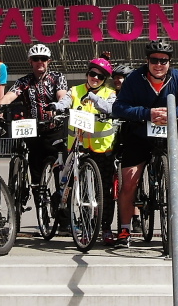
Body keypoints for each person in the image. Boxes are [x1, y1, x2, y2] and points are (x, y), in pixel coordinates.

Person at [111, 39, 178, 248]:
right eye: (154, 60)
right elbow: (118, 107)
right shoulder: (134, 78)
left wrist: (174, 112)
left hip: (169, 135)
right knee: (129, 183)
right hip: (139, 135)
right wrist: (147, 114)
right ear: (147, 61)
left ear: (169, 62)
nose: (159, 64)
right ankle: (124, 230)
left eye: (163, 61)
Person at [59, 57, 119, 246]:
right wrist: (57, 107)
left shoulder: (110, 93)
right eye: (93, 74)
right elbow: (64, 102)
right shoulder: (75, 90)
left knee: (105, 191)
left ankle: (106, 227)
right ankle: (86, 227)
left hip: (102, 149)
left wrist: (94, 97)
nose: (95, 78)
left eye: (100, 77)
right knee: (83, 190)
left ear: (105, 79)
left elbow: (110, 108)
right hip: (79, 147)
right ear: (87, 73)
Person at [0, 43, 69, 200]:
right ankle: (39, 203)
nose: (40, 62)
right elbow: (9, 96)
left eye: (43, 59)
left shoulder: (57, 78)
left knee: (61, 176)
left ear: (49, 61)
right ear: (30, 61)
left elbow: (62, 96)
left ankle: (61, 210)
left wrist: (58, 107)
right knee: (36, 176)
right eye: (36, 59)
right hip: (33, 131)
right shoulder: (24, 81)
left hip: (54, 130)